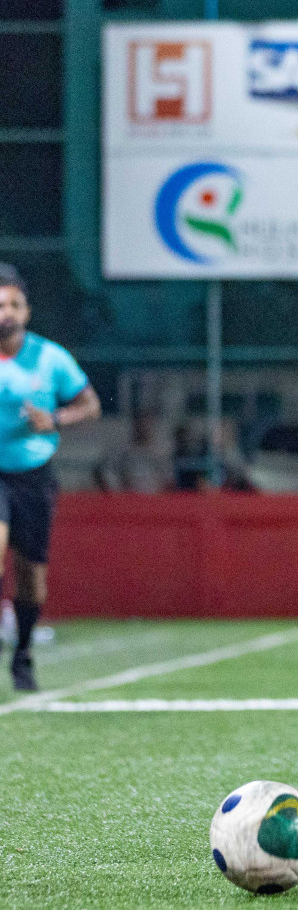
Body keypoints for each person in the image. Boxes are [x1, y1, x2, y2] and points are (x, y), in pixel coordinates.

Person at [0, 265, 101, 692]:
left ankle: (22, 653)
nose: (6, 312)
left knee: (31, 575)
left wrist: (55, 418)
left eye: (14, 304)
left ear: (27, 311)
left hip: (34, 476)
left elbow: (91, 405)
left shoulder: (50, 358)